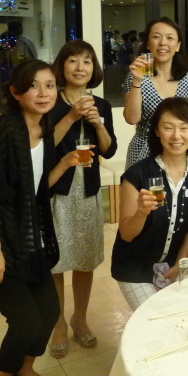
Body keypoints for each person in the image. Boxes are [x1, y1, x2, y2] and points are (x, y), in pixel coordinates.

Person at [0, 60, 82, 376]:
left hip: (26, 238)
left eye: (49, 85)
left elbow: (35, 190)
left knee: (48, 312)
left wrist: (65, 163)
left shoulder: (44, 128)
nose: (43, 93)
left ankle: (24, 370)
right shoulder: (2, 132)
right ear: (15, 92)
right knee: (25, 321)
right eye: (34, 86)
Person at [48, 40, 117, 358]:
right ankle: (59, 323)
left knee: (85, 259)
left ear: (94, 69)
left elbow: (108, 150)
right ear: (62, 66)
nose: (80, 67)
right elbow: (43, 145)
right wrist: (72, 115)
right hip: (57, 191)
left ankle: (80, 318)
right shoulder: (50, 102)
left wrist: (97, 123)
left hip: (87, 191)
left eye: (87, 61)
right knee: (56, 262)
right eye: (73, 61)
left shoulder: (101, 105)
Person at [112, 97, 188, 310]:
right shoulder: (137, 174)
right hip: (135, 267)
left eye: (184, 128)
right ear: (157, 131)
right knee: (154, 317)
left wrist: (180, 263)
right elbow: (127, 234)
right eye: (168, 127)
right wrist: (141, 212)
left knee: (185, 318)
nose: (176, 136)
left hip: (175, 264)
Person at [123, 17, 188, 168]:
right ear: (147, 44)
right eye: (156, 37)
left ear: (178, 46)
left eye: (170, 38)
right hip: (143, 152)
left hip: (178, 151)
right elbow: (131, 119)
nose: (163, 43)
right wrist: (137, 80)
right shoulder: (136, 77)